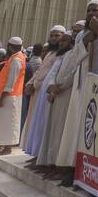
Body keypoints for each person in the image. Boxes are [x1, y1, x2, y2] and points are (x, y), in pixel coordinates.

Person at [30, 30, 75, 170]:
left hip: (63, 95)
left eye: (64, 40)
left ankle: (56, 165)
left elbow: (71, 75)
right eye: (60, 41)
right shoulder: (59, 55)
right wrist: (51, 86)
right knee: (49, 130)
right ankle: (45, 160)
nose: (61, 43)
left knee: (58, 133)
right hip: (51, 94)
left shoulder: (71, 55)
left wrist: (56, 89)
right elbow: (53, 74)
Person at [0, 39, 26, 155]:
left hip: (8, 96)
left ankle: (6, 147)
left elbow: (11, 80)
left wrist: (3, 96)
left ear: (10, 47)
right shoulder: (13, 58)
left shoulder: (17, 59)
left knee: (7, 123)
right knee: (0, 122)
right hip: (3, 94)